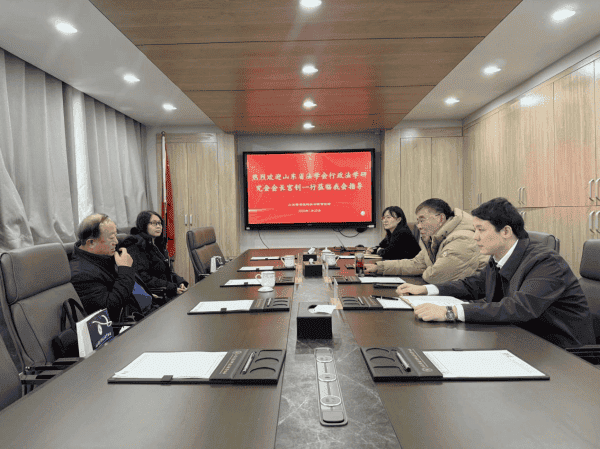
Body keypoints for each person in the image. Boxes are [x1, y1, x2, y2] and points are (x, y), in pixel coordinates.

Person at [399, 197, 595, 348]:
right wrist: (426, 290)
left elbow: (518, 307)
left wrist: (450, 312)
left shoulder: (546, 262)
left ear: (506, 232)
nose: (475, 237)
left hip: (561, 353)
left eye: (481, 230)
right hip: (521, 339)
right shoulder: (498, 257)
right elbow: (473, 285)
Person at [365, 198, 487, 283]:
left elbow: (436, 276)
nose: (419, 226)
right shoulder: (436, 238)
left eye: (422, 220)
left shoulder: (462, 238)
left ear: (440, 218)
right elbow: (415, 264)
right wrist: (378, 267)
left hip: (473, 304)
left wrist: (425, 269)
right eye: (418, 221)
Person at [70, 213, 153, 321]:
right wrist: (125, 269)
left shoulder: (103, 255)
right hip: (132, 323)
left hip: (146, 311)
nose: (116, 242)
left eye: (115, 236)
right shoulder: (81, 274)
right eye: (111, 238)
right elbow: (109, 309)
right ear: (91, 243)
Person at [120, 210, 188, 299]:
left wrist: (180, 282)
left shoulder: (156, 244)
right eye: (154, 223)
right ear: (144, 225)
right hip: (157, 297)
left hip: (168, 290)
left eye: (160, 223)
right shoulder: (136, 246)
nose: (158, 226)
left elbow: (167, 271)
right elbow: (145, 279)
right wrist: (172, 288)